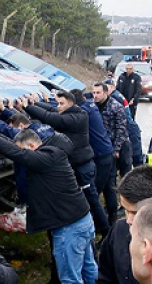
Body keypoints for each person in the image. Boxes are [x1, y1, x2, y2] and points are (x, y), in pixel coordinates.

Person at [0, 118, 97, 284]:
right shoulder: (53, 154)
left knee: (71, 277)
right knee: (88, 267)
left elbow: (15, 153)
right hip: (81, 220)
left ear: (31, 146)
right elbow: (15, 147)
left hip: (68, 228)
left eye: (23, 151)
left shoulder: (46, 158)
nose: (22, 158)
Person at [24, 91, 108, 238]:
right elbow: (51, 109)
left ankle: (105, 231)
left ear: (70, 103)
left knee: (92, 200)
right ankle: (94, 229)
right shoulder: (71, 112)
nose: (58, 106)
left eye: (61, 103)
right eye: (58, 103)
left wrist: (27, 106)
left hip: (83, 167)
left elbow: (50, 117)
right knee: (85, 200)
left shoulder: (77, 117)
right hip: (78, 166)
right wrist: (35, 103)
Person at [72, 89, 116, 239]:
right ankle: (108, 224)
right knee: (106, 189)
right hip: (106, 154)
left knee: (93, 196)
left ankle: (104, 231)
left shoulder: (83, 112)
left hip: (102, 157)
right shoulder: (90, 106)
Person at [93, 82, 129, 223]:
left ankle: (113, 215)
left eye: (98, 93)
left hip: (114, 150)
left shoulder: (116, 107)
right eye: (94, 93)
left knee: (111, 183)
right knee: (106, 183)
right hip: (100, 151)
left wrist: (116, 150)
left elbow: (121, 130)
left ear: (106, 93)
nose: (95, 96)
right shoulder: (93, 107)